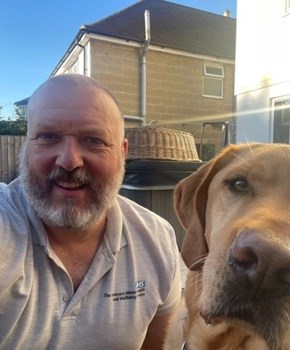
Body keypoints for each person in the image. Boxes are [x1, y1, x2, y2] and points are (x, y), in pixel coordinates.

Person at [0, 74, 182, 349]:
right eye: (48, 137)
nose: (69, 160)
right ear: (27, 148)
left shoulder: (156, 240)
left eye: (94, 140)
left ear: (122, 153)